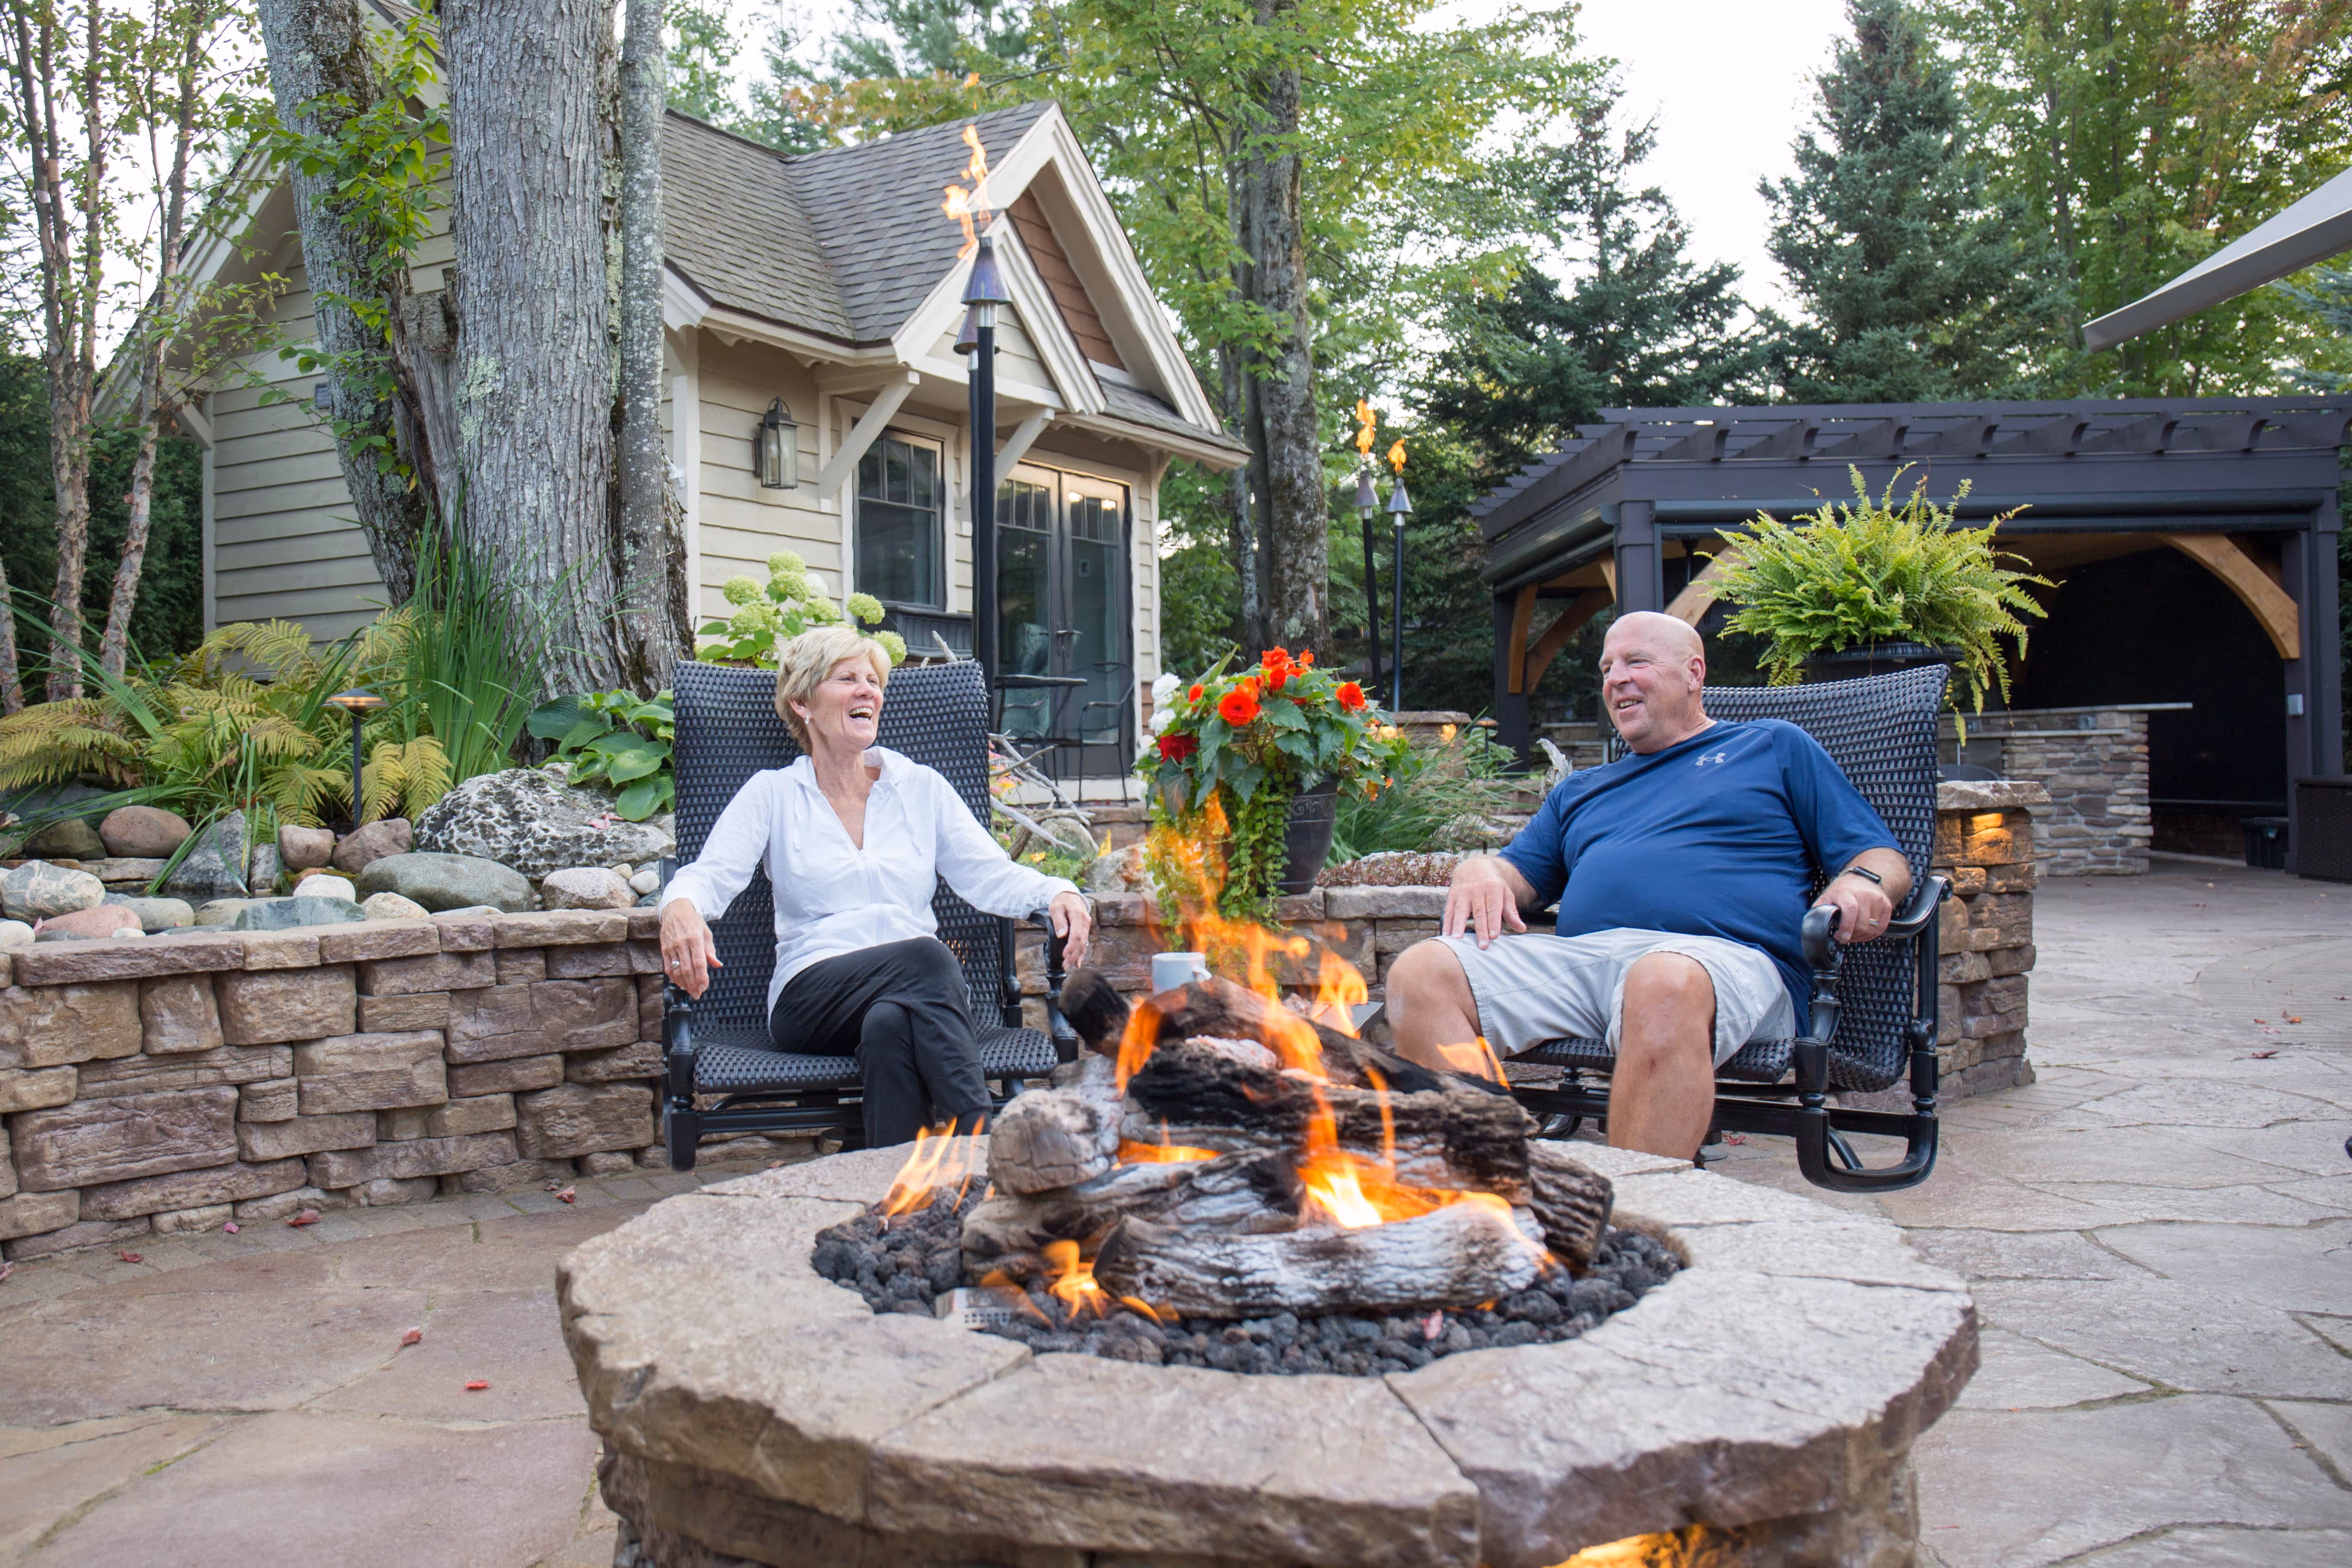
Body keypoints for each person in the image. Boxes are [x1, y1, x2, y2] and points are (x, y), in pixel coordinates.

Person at [1383, 611, 1910, 1159]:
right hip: (1588, 963)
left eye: (1636, 661)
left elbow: (1880, 856)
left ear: (1693, 673)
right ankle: (1490, 1180)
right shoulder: (1583, 789)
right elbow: (1519, 875)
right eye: (1607, 668)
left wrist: (1863, 883)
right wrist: (1481, 870)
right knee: (1420, 972)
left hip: (1725, 964)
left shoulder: (1772, 747)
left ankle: (1635, 1220)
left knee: (1660, 979)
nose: (1615, 678)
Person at [658, 625, 1093, 1145]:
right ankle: (986, 1148)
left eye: (873, 679)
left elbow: (989, 873)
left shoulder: (919, 787)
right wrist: (679, 904)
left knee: (889, 1027)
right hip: (812, 995)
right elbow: (711, 874)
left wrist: (1057, 891)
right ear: (802, 703)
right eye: (847, 678)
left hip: (913, 995)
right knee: (929, 958)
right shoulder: (773, 794)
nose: (868, 690)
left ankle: (891, 1195)